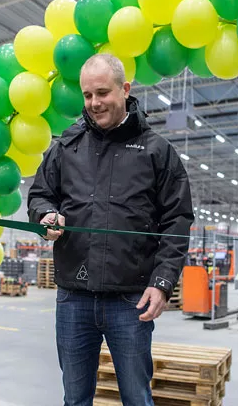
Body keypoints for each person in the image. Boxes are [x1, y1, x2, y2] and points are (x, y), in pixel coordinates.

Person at [28, 53, 194, 406]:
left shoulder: (157, 152)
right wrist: (45, 215)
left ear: (125, 89)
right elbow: (40, 195)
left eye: (102, 93)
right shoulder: (66, 147)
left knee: (137, 397)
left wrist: (163, 283)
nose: (94, 103)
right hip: (73, 296)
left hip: (130, 299)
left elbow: (177, 221)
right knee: (75, 398)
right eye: (87, 95)